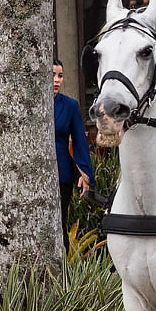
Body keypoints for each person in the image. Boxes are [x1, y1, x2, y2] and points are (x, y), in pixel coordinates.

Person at [53, 60, 94, 238]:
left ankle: (62, 265)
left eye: (60, 76)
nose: (56, 80)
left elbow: (79, 141)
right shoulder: (28, 107)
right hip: (31, 175)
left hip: (62, 175)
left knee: (58, 224)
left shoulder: (70, 106)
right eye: (52, 75)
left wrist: (86, 173)